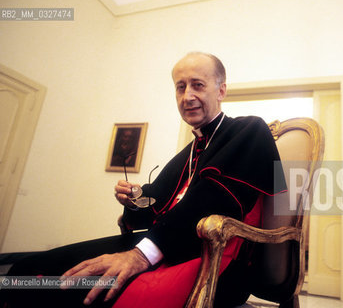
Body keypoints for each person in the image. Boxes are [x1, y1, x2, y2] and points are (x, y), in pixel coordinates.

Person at [0, 52, 287, 307]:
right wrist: (134, 198)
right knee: (28, 268)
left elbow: (214, 199)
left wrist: (140, 255)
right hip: (161, 244)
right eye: (180, 86)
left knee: (62, 286)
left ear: (221, 89)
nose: (187, 96)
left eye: (198, 84)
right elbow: (154, 204)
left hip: (206, 257)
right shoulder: (189, 152)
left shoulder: (249, 129)